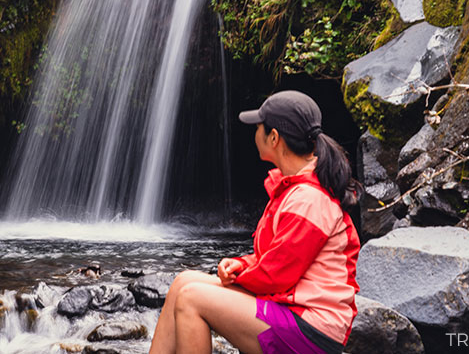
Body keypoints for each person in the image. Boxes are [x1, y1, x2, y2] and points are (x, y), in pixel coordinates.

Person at [149, 90, 361, 354]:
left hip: (311, 329)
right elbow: (278, 256)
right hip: (290, 307)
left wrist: (241, 275)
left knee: (191, 299)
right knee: (184, 281)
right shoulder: (295, 188)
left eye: (258, 127)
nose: (254, 134)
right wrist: (241, 264)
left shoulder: (309, 199)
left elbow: (276, 275)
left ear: (273, 138)